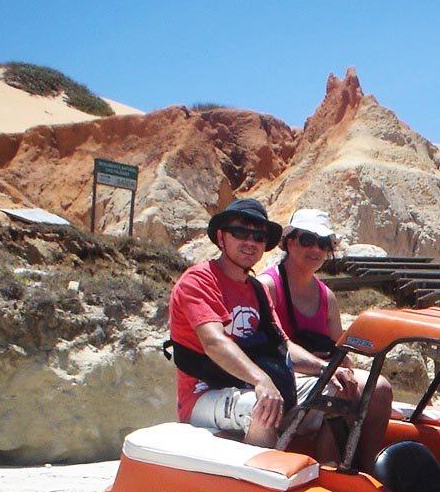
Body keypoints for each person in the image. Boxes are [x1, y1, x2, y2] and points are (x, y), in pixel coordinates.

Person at [168, 198, 360, 461]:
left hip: (245, 383)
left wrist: (327, 369)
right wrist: (261, 380)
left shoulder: (256, 289)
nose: (250, 241)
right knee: (261, 405)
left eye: (258, 236)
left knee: (337, 393)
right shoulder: (200, 281)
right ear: (222, 237)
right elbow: (214, 341)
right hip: (203, 392)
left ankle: (330, 475)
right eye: (240, 233)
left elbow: (284, 346)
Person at [257, 207, 394, 466]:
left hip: (322, 369)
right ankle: (330, 470)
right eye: (307, 240)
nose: (316, 250)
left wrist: (345, 371)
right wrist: (328, 370)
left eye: (323, 244)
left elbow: (340, 349)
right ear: (289, 242)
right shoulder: (269, 286)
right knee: (334, 390)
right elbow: (273, 346)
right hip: (284, 369)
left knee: (380, 387)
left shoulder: (326, 296)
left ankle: (364, 469)